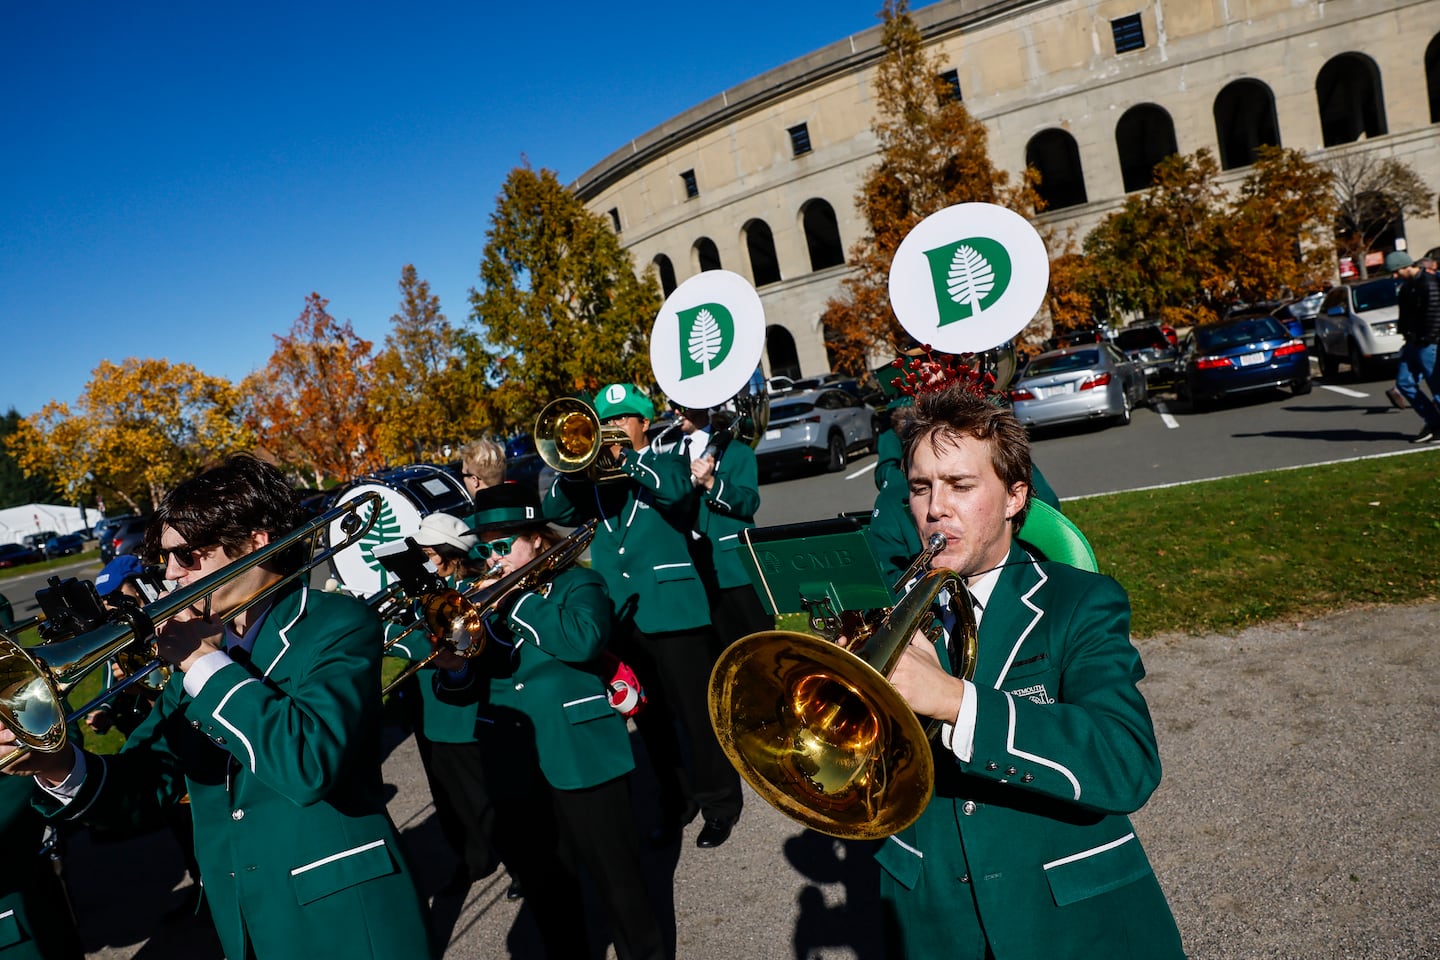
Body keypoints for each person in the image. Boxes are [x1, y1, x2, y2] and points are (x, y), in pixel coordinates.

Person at [0, 453, 433, 960]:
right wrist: (55, 765)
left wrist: (203, 663)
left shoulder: (334, 623)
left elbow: (309, 764)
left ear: (255, 541)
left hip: (344, 919)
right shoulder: (205, 658)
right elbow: (145, 785)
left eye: (187, 555)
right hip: (244, 927)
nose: (172, 574)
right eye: (165, 560)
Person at [877, 385, 1183, 959]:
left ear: (1017, 497)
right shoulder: (889, 610)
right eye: (921, 488)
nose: (935, 508)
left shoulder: (1081, 603)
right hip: (935, 919)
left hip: (1069, 921)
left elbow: (1127, 764)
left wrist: (954, 700)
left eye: (961, 486)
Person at [435, 483, 663, 960]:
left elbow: (583, 641)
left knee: (619, 885)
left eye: (505, 545)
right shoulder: (475, 603)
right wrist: (455, 670)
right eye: (488, 547)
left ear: (537, 538)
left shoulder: (580, 585)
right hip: (514, 762)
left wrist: (514, 601)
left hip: (583, 753)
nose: (494, 558)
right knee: (547, 889)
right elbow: (462, 691)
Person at [542, 383, 743, 848]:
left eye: (619, 421)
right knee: (649, 718)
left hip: (674, 610)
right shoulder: (591, 477)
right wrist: (578, 467)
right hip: (621, 613)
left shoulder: (667, 461)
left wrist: (627, 460)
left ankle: (719, 803)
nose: (608, 430)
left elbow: (677, 494)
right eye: (601, 423)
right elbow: (554, 509)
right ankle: (677, 799)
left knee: (698, 715)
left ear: (644, 423)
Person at [383, 512, 500, 897]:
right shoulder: (421, 591)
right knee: (446, 795)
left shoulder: (469, 588)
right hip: (428, 708)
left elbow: (456, 641)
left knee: (481, 793)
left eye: (428, 553)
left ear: (449, 555)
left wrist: (407, 639)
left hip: (462, 706)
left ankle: (510, 859)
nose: (422, 560)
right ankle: (469, 859)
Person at [681, 406, 773, 646]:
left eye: (683, 408)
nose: (676, 413)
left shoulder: (737, 452)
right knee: (722, 648)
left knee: (760, 641)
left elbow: (749, 502)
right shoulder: (671, 453)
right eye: (673, 407)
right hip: (694, 568)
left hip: (733, 568)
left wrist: (712, 483)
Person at [1386, 251, 1440, 443]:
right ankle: (1434, 422)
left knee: (1436, 385)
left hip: (1428, 343)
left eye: (1395, 271)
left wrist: (1429, 337)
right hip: (1412, 342)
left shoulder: (1428, 283)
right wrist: (1405, 334)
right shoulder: (1407, 287)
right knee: (1404, 383)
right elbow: (1405, 315)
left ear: (1405, 266)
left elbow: (1434, 312)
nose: (1394, 276)